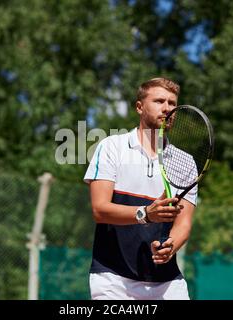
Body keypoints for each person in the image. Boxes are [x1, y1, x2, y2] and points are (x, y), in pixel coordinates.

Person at [83, 77, 197, 300]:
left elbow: (183, 224)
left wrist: (170, 247)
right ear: (139, 107)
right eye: (159, 101)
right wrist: (146, 214)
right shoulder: (111, 147)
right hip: (113, 280)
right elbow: (100, 210)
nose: (167, 108)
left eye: (172, 103)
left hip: (167, 282)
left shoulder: (186, 161)